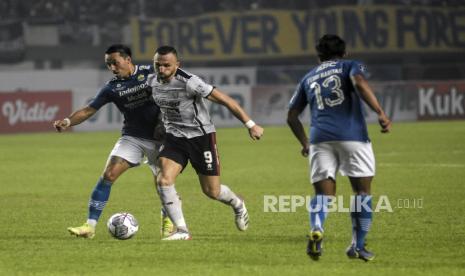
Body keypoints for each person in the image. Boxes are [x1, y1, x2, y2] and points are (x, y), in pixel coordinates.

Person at [287, 34, 391, 261]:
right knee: (362, 192)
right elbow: (360, 82)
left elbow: (292, 115)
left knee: (323, 194)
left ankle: (317, 228)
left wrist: (305, 143)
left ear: (319, 57)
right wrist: (380, 113)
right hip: (353, 137)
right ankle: (357, 245)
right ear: (344, 53)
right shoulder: (351, 65)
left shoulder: (308, 77)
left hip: (319, 139)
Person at [53, 44, 174, 239]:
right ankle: (89, 226)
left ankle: (169, 224)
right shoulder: (111, 88)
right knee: (108, 175)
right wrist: (67, 121)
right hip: (133, 136)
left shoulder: (151, 72)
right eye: (109, 64)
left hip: (162, 138)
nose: (112, 68)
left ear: (128, 59)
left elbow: (175, 84)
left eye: (115, 63)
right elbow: (88, 110)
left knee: (164, 184)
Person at [148, 45, 264, 240]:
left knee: (212, 191)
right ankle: (182, 231)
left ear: (177, 64)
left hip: (201, 138)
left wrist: (250, 124)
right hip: (175, 137)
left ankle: (237, 204)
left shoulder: (190, 82)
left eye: (166, 65)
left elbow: (226, 100)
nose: (161, 70)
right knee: (163, 180)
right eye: (157, 65)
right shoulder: (152, 82)